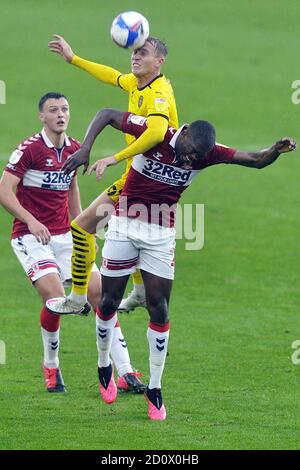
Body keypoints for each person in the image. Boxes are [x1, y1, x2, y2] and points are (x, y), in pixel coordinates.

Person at [46, 107, 297, 419]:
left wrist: (274, 149)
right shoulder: (156, 135)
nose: (190, 160)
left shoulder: (207, 152)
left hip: (161, 234)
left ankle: (155, 388)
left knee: (160, 309)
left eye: (196, 158)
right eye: (189, 152)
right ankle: (103, 365)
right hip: (123, 225)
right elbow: (107, 114)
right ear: (185, 131)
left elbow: (254, 160)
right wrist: (86, 148)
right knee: (108, 302)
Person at [0, 94, 145, 394]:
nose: (60, 115)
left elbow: (71, 187)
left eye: (65, 109)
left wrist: (82, 227)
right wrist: (31, 220)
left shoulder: (76, 149)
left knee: (100, 295)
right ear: (41, 116)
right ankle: (51, 366)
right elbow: (4, 191)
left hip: (65, 236)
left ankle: (126, 371)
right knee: (55, 299)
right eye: (53, 110)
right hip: (30, 236)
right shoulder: (29, 150)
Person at [47, 34, 178, 313]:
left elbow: (156, 133)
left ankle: (78, 298)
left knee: (81, 227)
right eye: (134, 52)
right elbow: (112, 76)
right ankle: (141, 291)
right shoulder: (138, 83)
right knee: (125, 234)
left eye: (143, 52)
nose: (135, 56)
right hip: (141, 178)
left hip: (144, 182)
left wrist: (114, 158)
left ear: (159, 62)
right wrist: (74, 59)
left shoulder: (159, 93)